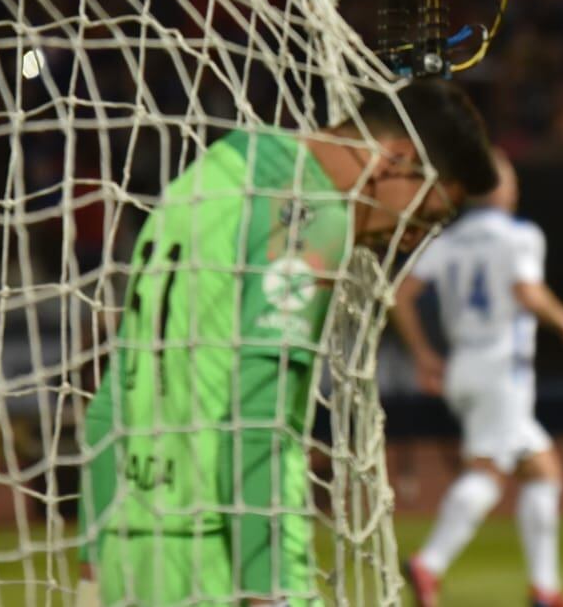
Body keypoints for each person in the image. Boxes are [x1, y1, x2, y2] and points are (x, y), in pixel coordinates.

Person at [76, 80, 498, 607]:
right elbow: (260, 420)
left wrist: (94, 561)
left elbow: (116, 394)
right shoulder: (313, 217)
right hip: (217, 558)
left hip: (135, 548)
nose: (411, 239)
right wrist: (270, 590)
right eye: (426, 217)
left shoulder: (217, 170)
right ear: (397, 159)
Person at [394, 149, 563, 607]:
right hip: (503, 369)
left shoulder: (448, 241)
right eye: (512, 179)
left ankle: (546, 589)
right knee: (487, 470)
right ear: (499, 188)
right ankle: (430, 564)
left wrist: (423, 354)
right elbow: (526, 291)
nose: (516, 187)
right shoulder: (520, 235)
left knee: (542, 469)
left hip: (464, 364)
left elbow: (400, 295)